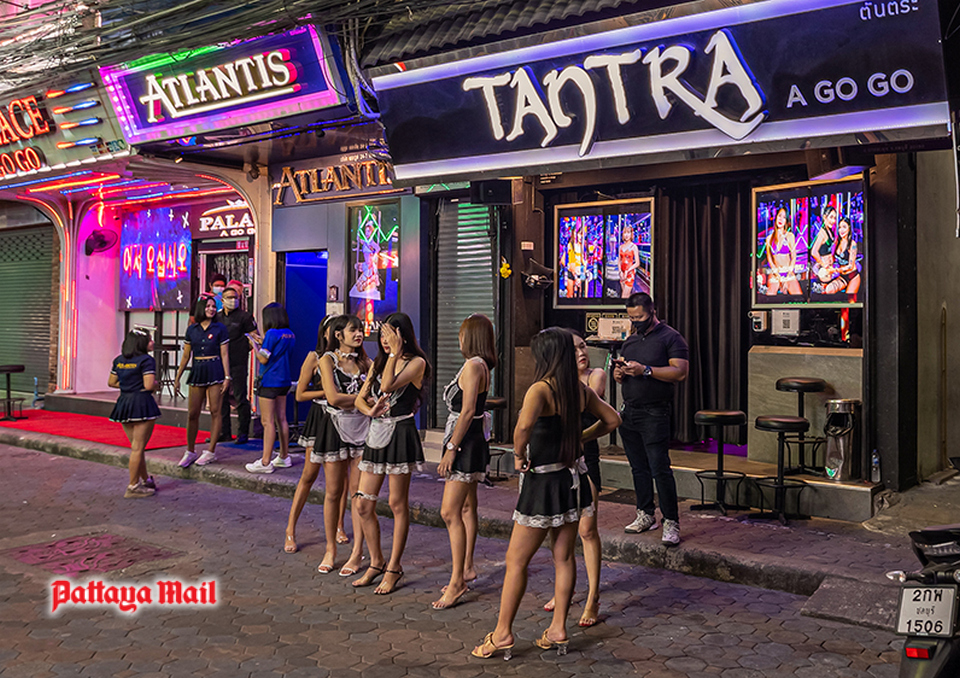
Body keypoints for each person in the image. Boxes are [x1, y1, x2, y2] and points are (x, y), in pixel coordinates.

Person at [472, 327, 620, 659]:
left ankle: (502, 633)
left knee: (516, 561)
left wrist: (518, 455)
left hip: (542, 485)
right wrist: (581, 437)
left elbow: (523, 427)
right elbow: (613, 420)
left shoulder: (541, 389)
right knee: (564, 557)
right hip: (572, 482)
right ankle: (557, 629)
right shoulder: (579, 391)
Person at [353, 313, 430, 595]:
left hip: (400, 432)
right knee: (362, 503)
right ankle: (376, 561)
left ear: (403, 336)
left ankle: (394, 567)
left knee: (397, 503)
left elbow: (386, 386)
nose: (385, 341)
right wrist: (369, 410)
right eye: (383, 335)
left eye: (391, 335)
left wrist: (395, 354)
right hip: (377, 433)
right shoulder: (379, 362)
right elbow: (360, 398)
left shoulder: (416, 362)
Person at [543, 330, 607, 626]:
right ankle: (563, 589)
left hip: (585, 458)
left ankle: (593, 597)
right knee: (561, 530)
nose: (582, 352)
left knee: (587, 529)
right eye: (575, 349)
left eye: (583, 347)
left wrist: (580, 437)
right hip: (558, 461)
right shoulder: (550, 384)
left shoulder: (594, 377)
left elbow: (599, 409)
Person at [616, 292, 689, 545]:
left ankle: (671, 521)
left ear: (652, 312)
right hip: (630, 411)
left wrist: (645, 370)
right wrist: (620, 374)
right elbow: (626, 371)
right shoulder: (630, 341)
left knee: (660, 468)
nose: (636, 322)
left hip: (655, 412)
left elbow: (680, 372)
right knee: (638, 468)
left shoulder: (671, 337)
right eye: (632, 318)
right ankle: (645, 513)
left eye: (640, 317)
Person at [433, 313, 496, 610]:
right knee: (468, 507)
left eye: (461, 333)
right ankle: (467, 567)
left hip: (465, 442)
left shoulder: (473, 366)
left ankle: (457, 580)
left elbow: (468, 410)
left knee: (449, 511)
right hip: (473, 441)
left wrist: (451, 448)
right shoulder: (481, 365)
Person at [313, 315, 369, 576]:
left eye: (360, 330)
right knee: (333, 492)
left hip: (363, 428)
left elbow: (378, 391)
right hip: (335, 428)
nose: (359, 334)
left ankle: (357, 552)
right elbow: (333, 398)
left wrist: (361, 401)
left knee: (358, 494)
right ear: (338, 335)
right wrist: (361, 400)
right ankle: (330, 549)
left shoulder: (365, 361)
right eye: (353, 330)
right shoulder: (327, 360)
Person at [284, 316, 341, 553]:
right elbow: (299, 394)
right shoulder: (314, 357)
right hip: (320, 417)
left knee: (340, 480)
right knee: (309, 474)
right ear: (325, 333)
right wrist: (326, 393)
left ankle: (338, 526)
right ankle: (290, 529)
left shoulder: (349, 358)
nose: (338, 334)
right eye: (334, 330)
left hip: (343, 419)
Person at [176, 297, 231, 467]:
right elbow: (186, 355)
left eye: (214, 306)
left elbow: (224, 354)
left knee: (215, 411)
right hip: (197, 370)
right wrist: (178, 377)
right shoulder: (192, 330)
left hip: (215, 369)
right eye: (208, 306)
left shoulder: (220, 328)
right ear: (201, 308)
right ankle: (190, 451)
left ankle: (211, 451)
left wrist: (227, 377)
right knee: (193, 413)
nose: (212, 309)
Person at [108, 328, 162, 498]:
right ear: (141, 343)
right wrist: (157, 384)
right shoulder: (147, 360)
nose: (152, 342)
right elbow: (149, 385)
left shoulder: (119, 360)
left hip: (124, 403)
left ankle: (145, 480)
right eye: (150, 340)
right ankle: (133, 486)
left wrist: (127, 385)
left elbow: (111, 382)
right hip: (141, 403)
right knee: (138, 448)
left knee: (136, 447)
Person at [245, 303, 295, 473]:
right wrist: (262, 342)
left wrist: (254, 344)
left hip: (269, 381)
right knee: (282, 419)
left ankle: (265, 462)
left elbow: (263, 358)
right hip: (284, 380)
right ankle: (284, 456)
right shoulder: (290, 334)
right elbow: (278, 351)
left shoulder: (272, 333)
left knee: (267, 422)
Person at [215, 284, 257, 444]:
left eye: (235, 297)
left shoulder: (244, 317)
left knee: (240, 397)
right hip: (220, 363)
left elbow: (254, 338)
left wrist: (245, 348)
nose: (233, 300)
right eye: (230, 298)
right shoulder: (217, 318)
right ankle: (224, 432)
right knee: (222, 398)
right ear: (223, 300)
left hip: (238, 362)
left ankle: (243, 432)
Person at [764, 207, 802, 296]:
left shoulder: (790, 236)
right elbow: (770, 259)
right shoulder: (769, 239)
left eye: (784, 217)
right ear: (776, 217)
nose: (781, 219)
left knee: (798, 297)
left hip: (788, 272)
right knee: (770, 295)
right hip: (775, 273)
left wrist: (788, 275)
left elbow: (794, 257)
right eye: (779, 216)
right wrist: (779, 277)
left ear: (786, 221)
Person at [825, 217, 860, 299]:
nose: (841, 230)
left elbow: (850, 266)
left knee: (850, 301)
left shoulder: (852, 244)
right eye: (840, 227)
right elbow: (832, 258)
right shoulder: (837, 242)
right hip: (842, 276)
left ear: (849, 228)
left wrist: (835, 270)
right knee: (829, 289)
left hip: (853, 276)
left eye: (844, 227)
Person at [811, 205, 838, 285]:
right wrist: (823, 264)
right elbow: (814, 252)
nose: (833, 221)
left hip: (829, 267)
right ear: (825, 217)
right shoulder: (822, 233)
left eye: (835, 218)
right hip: (823, 270)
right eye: (831, 217)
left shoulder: (830, 230)